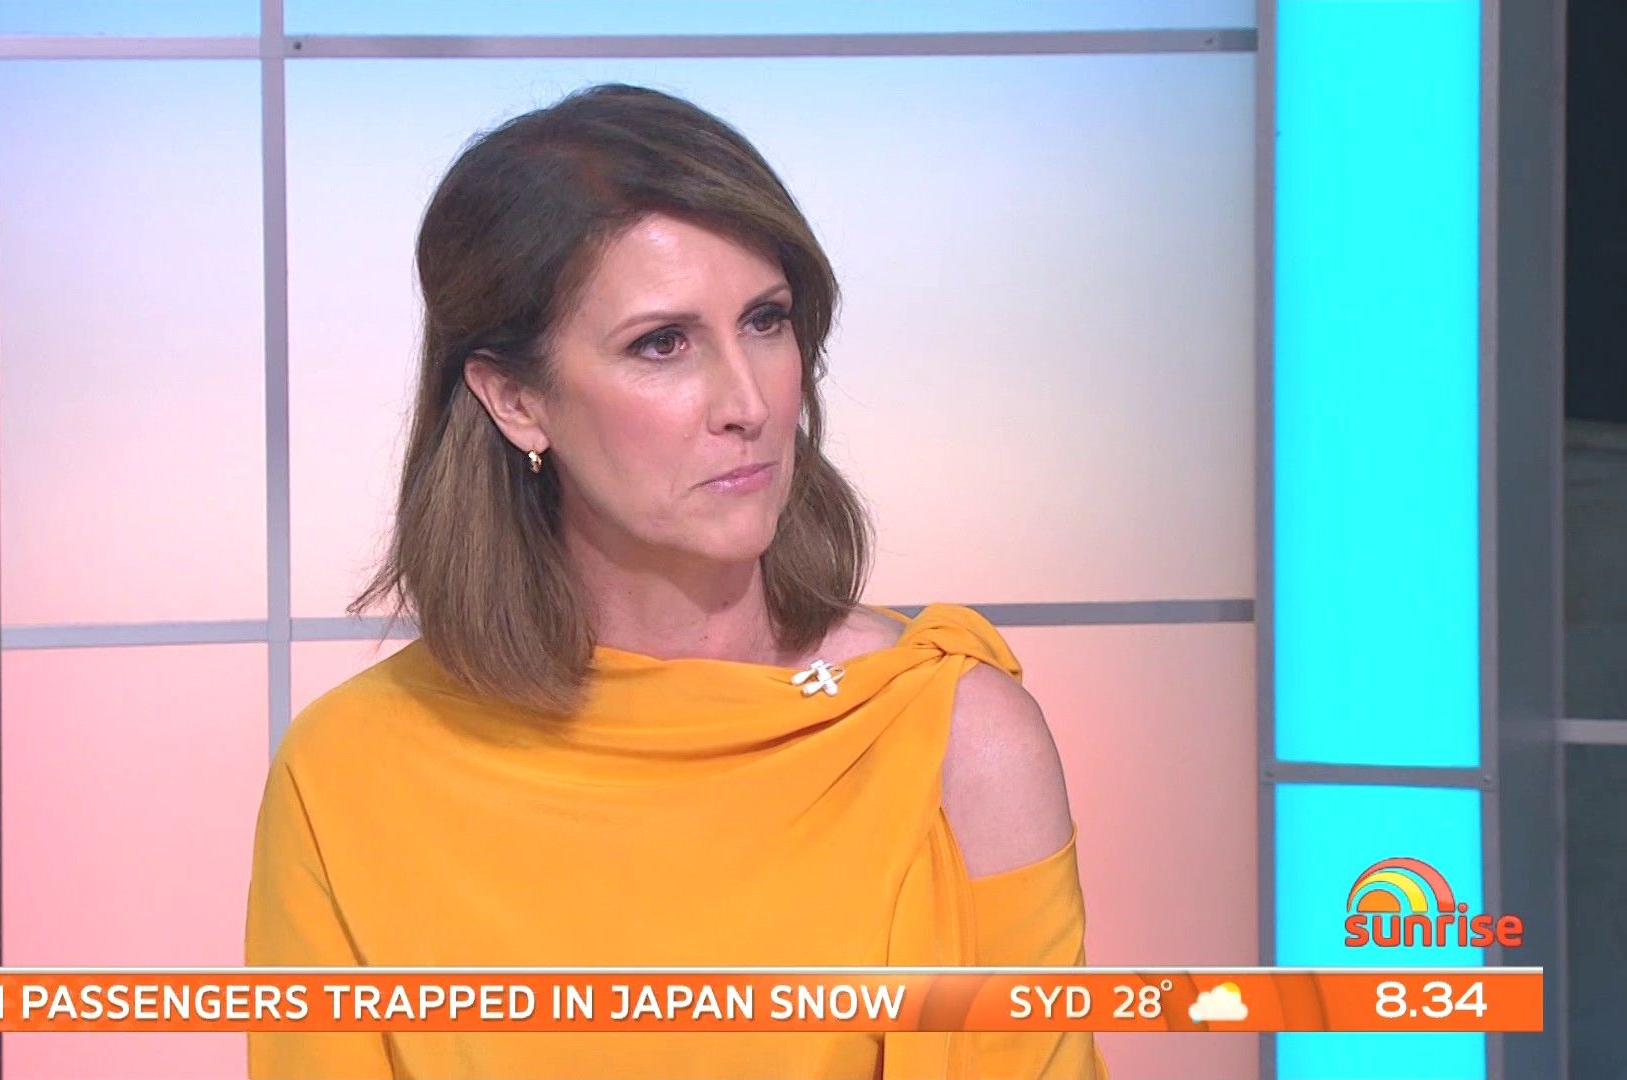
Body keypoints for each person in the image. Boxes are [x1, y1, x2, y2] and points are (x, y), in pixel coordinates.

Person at [245, 82, 1108, 1079]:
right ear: (516, 399)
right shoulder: (347, 774)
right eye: (663, 343)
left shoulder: (951, 738)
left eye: (767, 321)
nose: (749, 403)